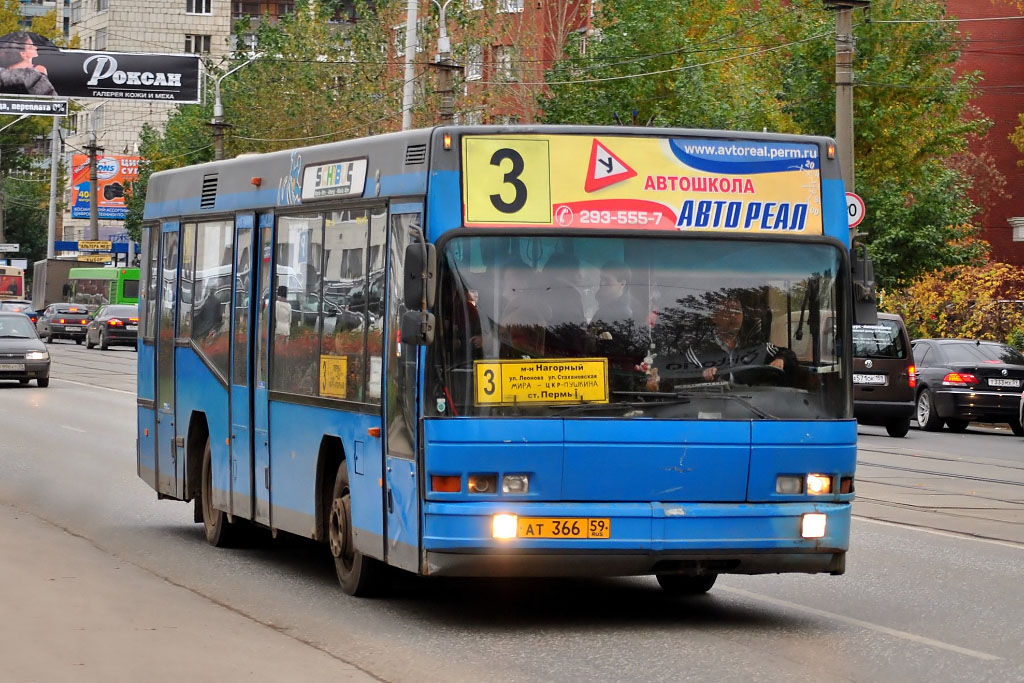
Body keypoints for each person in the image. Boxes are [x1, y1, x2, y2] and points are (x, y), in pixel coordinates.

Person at [681, 294, 796, 384]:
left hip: (750, 409)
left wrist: (781, 360)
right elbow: (681, 379)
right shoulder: (698, 350)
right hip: (710, 407)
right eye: (727, 311)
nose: (733, 316)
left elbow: (789, 355)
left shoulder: (755, 345)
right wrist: (702, 375)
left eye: (737, 311)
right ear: (714, 317)